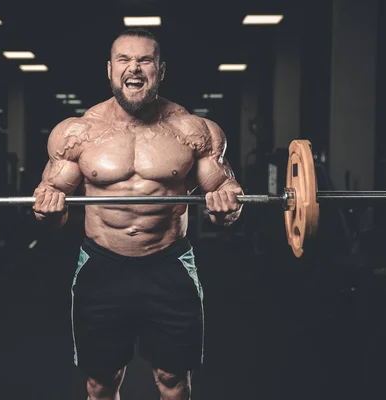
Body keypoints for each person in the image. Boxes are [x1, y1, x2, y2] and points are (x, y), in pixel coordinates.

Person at [33, 28, 243, 400]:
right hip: (101, 265)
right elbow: (54, 212)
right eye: (124, 60)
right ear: (109, 70)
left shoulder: (193, 130)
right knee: (101, 383)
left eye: (145, 60)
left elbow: (222, 206)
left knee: (173, 380)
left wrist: (226, 204)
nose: (134, 68)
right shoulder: (77, 133)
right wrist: (48, 208)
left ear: (160, 70)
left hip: (169, 263)